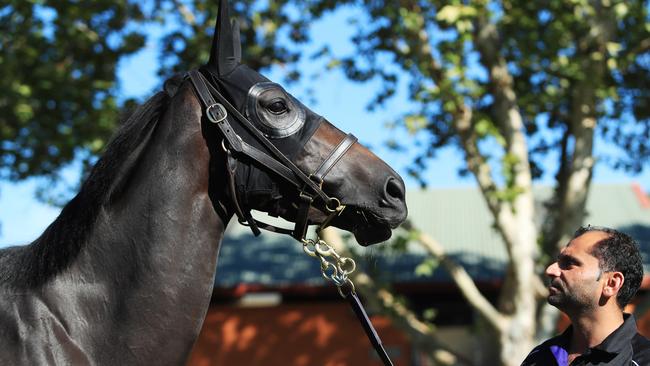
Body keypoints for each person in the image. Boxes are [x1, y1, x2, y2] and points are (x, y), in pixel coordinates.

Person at [522, 225, 650, 365]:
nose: (550, 270)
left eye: (569, 263)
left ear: (611, 283)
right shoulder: (540, 355)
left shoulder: (641, 360)